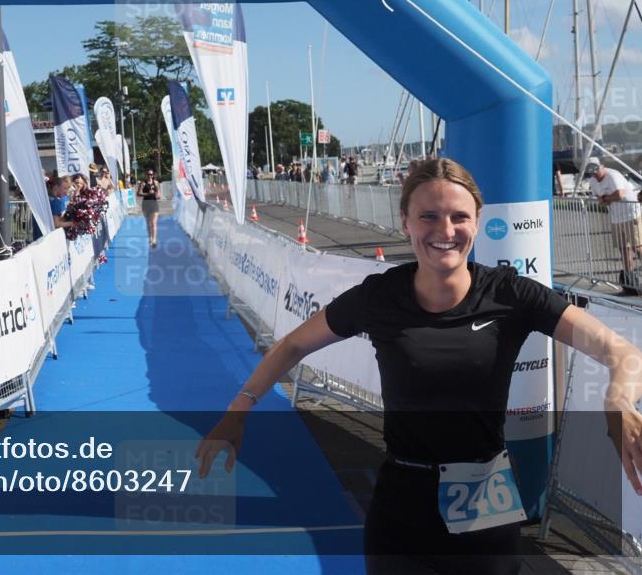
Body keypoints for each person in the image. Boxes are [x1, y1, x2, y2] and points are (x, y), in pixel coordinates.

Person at [196, 158, 642, 575]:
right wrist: (239, 411)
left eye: (459, 217)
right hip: (402, 504)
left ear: (477, 222)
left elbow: (622, 352)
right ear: (405, 222)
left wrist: (617, 398)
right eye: (428, 216)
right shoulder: (380, 296)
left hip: (486, 499)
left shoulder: (510, 295)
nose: (444, 230)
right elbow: (292, 345)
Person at [584, 157, 642, 293]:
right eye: (592, 170)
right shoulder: (593, 181)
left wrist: (606, 199)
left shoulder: (613, 175)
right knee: (624, 250)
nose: (595, 172)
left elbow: (619, 195)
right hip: (616, 218)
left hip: (631, 215)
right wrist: (606, 199)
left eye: (596, 168)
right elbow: (601, 200)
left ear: (602, 166)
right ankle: (630, 282)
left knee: (638, 248)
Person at [137, 168, 161, 247]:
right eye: (148, 174)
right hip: (146, 204)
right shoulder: (143, 183)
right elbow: (138, 193)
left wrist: (157, 195)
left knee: (154, 223)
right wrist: (148, 193)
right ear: (146, 175)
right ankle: (150, 237)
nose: (150, 176)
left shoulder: (156, 183)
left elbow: (158, 193)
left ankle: (154, 241)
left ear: (153, 175)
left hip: (154, 204)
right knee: (148, 223)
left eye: (151, 174)